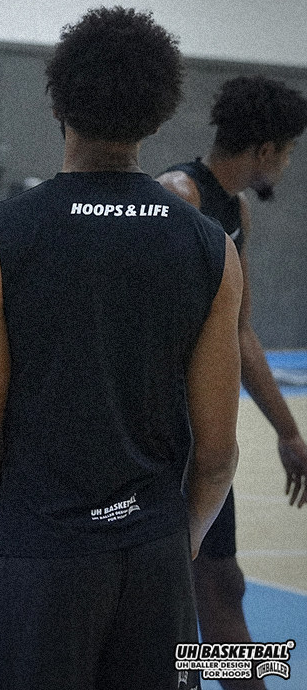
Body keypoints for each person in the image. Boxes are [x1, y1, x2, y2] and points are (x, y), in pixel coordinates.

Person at [0, 7, 243, 690]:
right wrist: (175, 547)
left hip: (39, 555)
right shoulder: (212, 249)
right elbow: (218, 455)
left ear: (57, 102)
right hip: (155, 552)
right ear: (158, 116)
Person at [157, 75, 307, 690]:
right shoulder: (178, 195)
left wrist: (288, 433)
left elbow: (240, 335)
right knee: (168, 597)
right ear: (266, 149)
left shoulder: (235, 209)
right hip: (157, 439)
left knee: (221, 584)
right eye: (289, 151)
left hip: (201, 438)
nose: (288, 165)